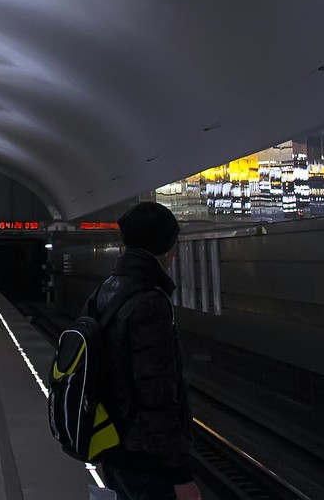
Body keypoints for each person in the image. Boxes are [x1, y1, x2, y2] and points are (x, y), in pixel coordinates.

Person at [94, 202, 200, 500]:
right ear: (168, 246)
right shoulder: (150, 302)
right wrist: (181, 473)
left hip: (113, 447)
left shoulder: (108, 289)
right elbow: (156, 396)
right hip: (147, 459)